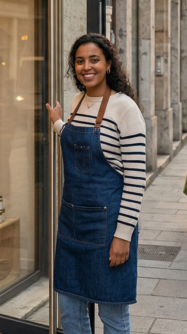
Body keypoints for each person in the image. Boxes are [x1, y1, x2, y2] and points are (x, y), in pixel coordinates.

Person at [46, 33, 146, 333]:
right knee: (70, 312)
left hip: (109, 228)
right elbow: (74, 138)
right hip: (72, 224)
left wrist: (123, 236)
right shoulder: (77, 102)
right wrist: (57, 124)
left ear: (108, 64)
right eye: (79, 61)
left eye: (94, 60)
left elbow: (136, 179)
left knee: (113, 316)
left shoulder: (125, 108)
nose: (86, 67)